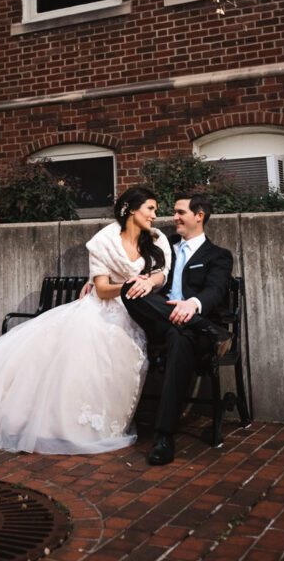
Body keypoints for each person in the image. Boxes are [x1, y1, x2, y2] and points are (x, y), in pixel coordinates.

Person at [0, 186, 171, 454]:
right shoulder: (104, 241)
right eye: (150, 208)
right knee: (88, 338)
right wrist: (127, 286)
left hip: (138, 310)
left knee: (115, 341)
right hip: (105, 304)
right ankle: (59, 424)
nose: (154, 215)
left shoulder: (156, 239)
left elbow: (161, 273)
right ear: (131, 209)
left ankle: (98, 422)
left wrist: (149, 282)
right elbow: (102, 289)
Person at [121, 193, 233, 466]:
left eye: (181, 212)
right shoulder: (164, 245)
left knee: (180, 337)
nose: (174, 217)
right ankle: (210, 330)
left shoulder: (218, 256)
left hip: (190, 333)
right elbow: (127, 257)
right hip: (163, 321)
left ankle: (163, 436)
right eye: (175, 212)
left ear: (199, 216)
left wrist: (192, 305)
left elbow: (216, 290)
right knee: (129, 290)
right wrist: (95, 281)